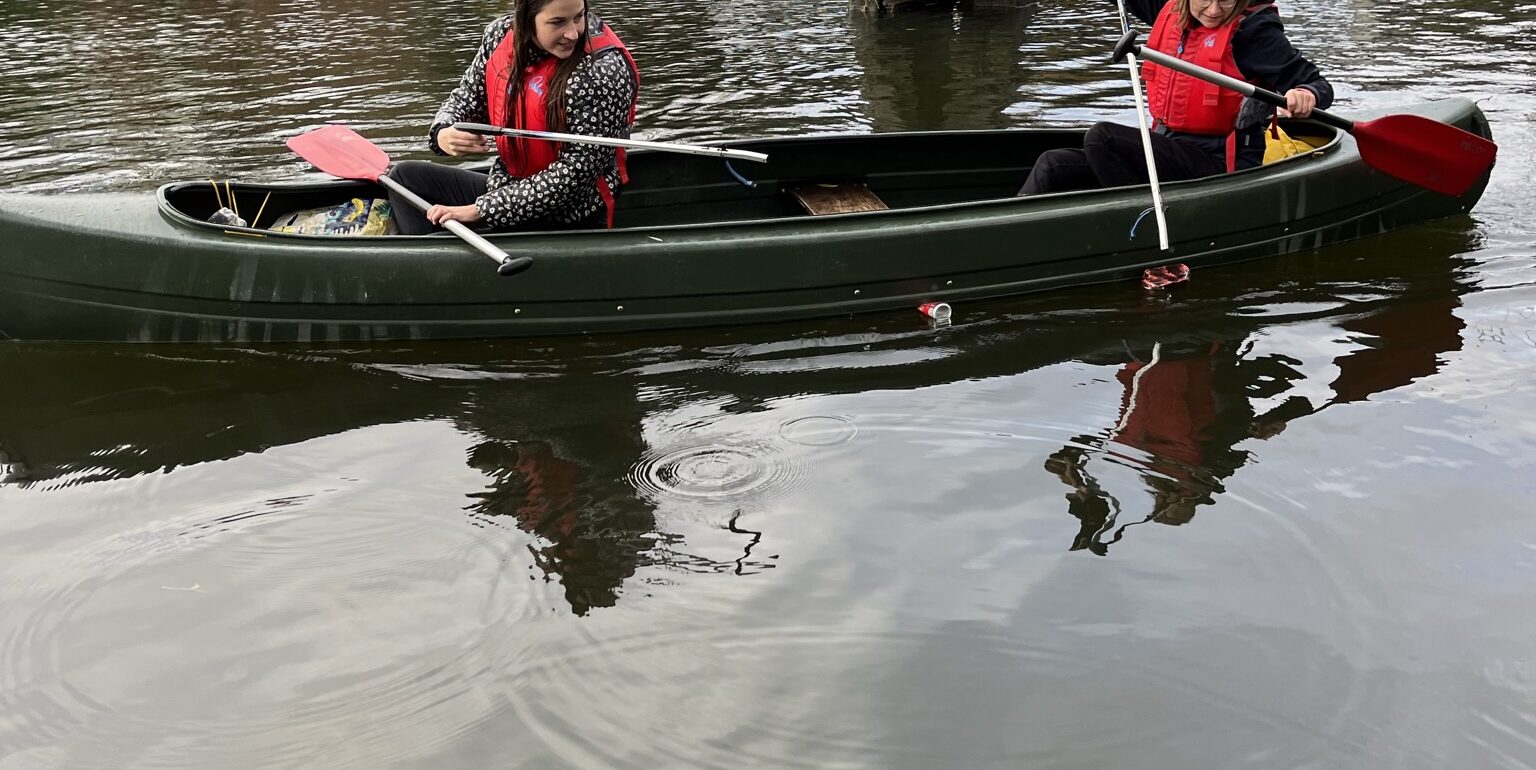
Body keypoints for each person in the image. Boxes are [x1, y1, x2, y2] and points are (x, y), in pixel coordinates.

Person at [1019, 0, 1332, 196]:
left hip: (1220, 163)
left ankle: (1136, 219)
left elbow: (1317, 84)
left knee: (1103, 138)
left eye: (1226, 0)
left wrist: (1305, 93)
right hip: (1169, 147)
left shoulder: (1254, 32)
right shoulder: (1167, 8)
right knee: (1052, 165)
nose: (1214, 10)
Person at [386, 0, 639, 235]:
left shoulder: (602, 71)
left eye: (579, 17)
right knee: (404, 179)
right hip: (505, 189)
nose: (573, 33)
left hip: (569, 214)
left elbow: (577, 175)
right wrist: (443, 131)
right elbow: (466, 98)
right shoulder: (499, 36)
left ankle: (435, 260)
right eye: (558, 22)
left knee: (440, 228)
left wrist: (481, 210)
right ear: (526, 17)